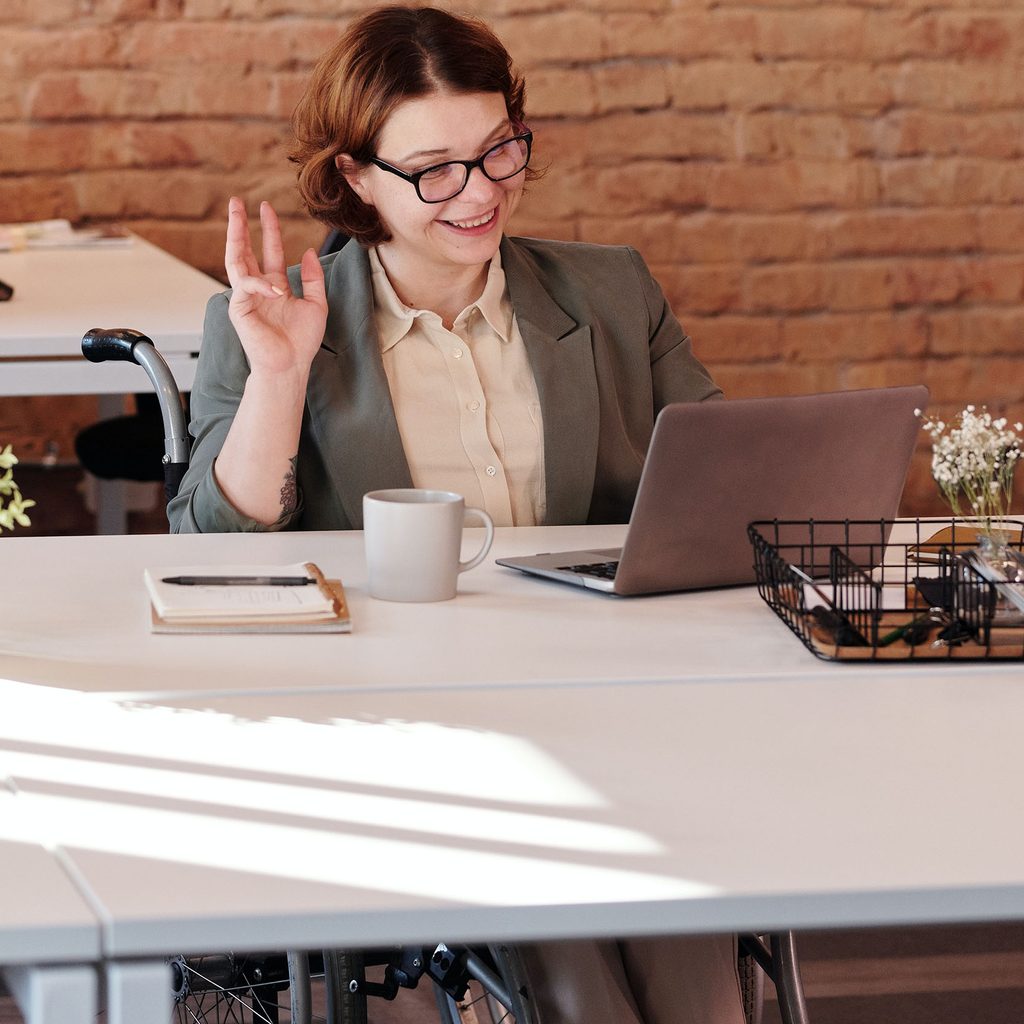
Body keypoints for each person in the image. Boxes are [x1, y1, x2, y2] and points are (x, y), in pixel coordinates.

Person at [168, 5, 741, 1023]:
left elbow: (723, 491)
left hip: (611, 710)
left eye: (498, 151)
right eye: (435, 169)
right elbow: (211, 554)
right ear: (354, 177)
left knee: (675, 912)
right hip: (392, 732)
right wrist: (281, 380)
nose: (479, 193)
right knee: (579, 915)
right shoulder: (267, 322)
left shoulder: (609, 292)